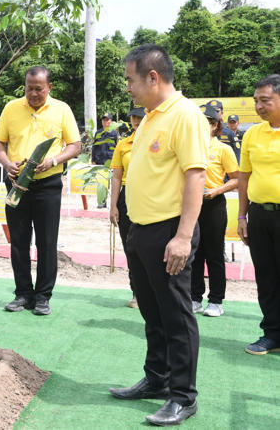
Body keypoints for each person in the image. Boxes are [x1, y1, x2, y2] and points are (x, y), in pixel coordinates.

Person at [108, 44, 208, 426]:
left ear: (153, 77)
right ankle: (157, 378)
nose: (128, 89)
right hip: (141, 230)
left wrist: (183, 237)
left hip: (169, 231)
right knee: (152, 312)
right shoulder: (150, 116)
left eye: (131, 80)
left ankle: (183, 396)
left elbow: (195, 176)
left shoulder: (185, 115)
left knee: (176, 316)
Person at [0, 66, 81, 316]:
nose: (33, 93)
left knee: (46, 242)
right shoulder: (11, 108)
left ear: (49, 87)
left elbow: (75, 145)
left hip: (48, 185)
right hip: (17, 183)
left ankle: (43, 297)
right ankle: (22, 294)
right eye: (29, 88)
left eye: (38, 89)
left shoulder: (62, 109)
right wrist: (7, 163)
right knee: (18, 241)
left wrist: (52, 161)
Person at [237, 74, 280, 355]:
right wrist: (242, 217)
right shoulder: (253, 133)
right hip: (260, 216)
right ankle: (272, 334)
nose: (259, 106)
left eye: (265, 100)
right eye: (256, 101)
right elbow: (243, 177)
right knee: (266, 276)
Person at [190, 104, 238, 318]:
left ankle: (217, 300)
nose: (206, 125)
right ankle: (195, 297)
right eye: (202, 121)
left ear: (217, 125)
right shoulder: (190, 146)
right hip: (193, 204)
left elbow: (237, 179)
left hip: (214, 204)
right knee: (195, 253)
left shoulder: (223, 149)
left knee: (214, 254)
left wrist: (218, 190)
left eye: (210, 122)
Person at [109, 106, 145, 308]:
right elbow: (116, 176)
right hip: (126, 195)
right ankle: (137, 292)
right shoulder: (123, 144)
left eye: (140, 116)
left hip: (149, 196)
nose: (136, 121)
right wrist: (113, 205)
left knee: (149, 245)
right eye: (134, 117)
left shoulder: (156, 141)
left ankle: (154, 292)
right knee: (131, 247)